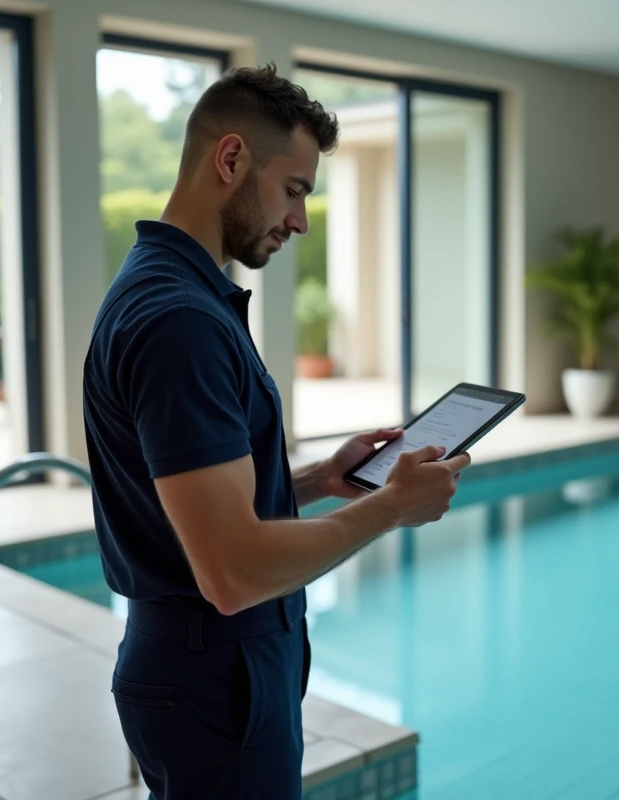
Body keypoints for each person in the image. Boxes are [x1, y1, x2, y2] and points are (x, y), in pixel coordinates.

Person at [82, 63, 469, 799]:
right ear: (231, 160)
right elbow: (229, 570)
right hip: (214, 676)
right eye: (294, 190)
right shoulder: (181, 322)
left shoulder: (171, 290)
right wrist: (389, 506)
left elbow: (190, 504)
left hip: (205, 666)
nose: (299, 220)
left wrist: (322, 480)